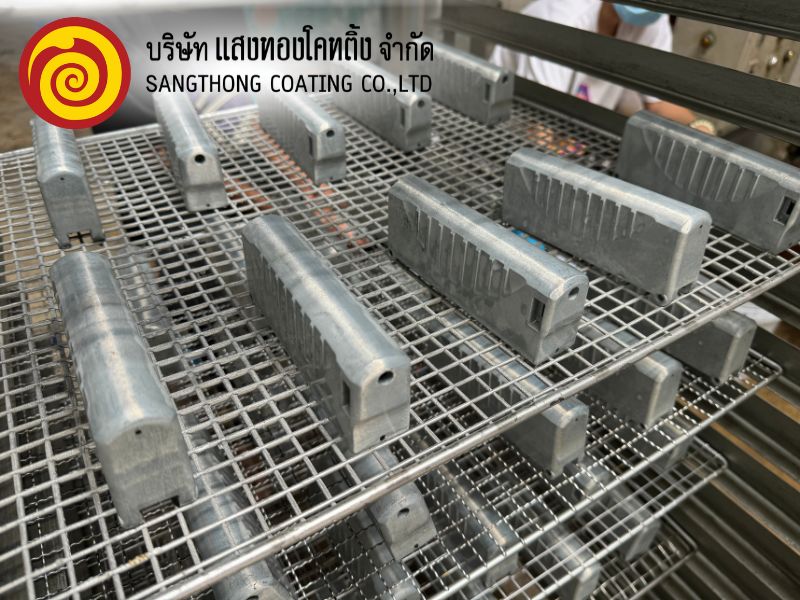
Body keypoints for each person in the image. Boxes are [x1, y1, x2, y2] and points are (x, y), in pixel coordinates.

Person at [491, 1, 716, 134]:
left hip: (580, 134)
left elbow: (658, 102)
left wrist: (700, 129)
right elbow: (538, 126)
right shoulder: (558, 20)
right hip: (507, 131)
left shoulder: (652, 21)